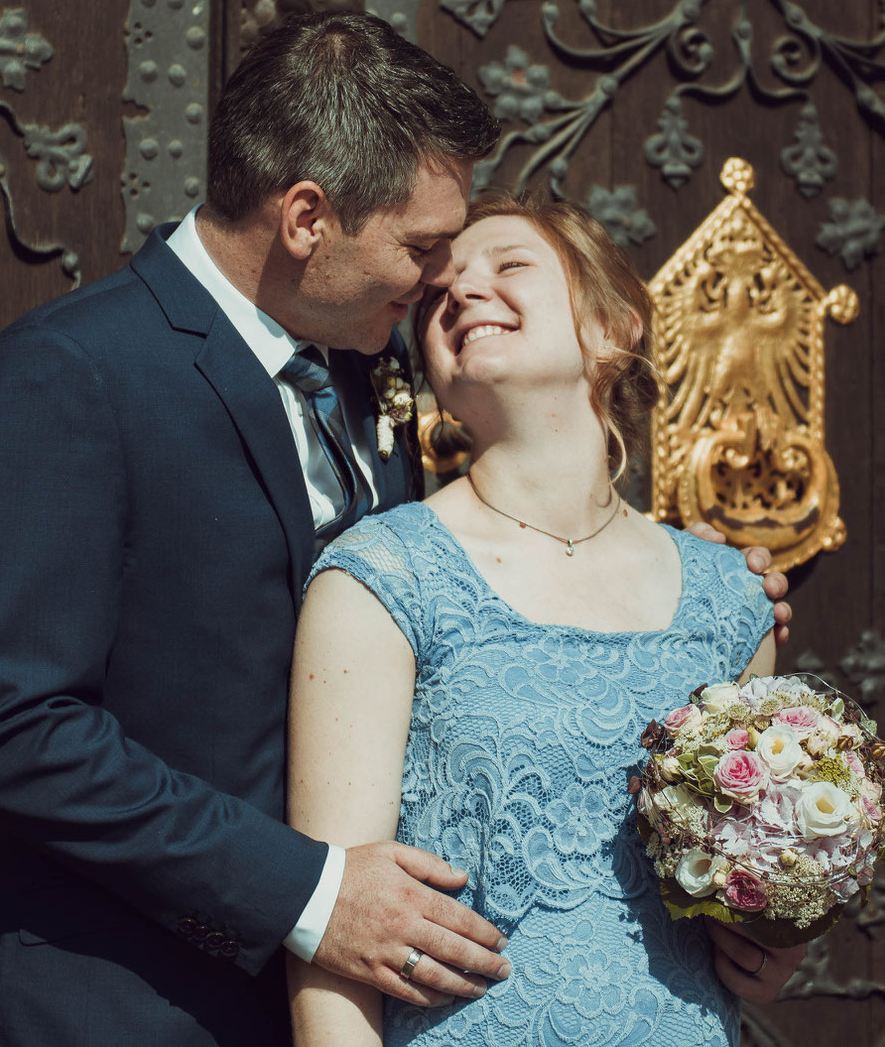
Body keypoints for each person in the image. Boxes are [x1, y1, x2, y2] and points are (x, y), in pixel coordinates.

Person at [0, 11, 792, 1047]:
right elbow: (12, 726)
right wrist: (312, 893)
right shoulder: (72, 372)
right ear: (304, 219)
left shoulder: (355, 375)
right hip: (108, 1004)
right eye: (421, 249)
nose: (439, 282)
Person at [287, 190, 809, 1047]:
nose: (461, 294)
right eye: (441, 293)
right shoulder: (382, 573)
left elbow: (754, 881)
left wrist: (778, 934)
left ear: (613, 326)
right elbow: (333, 927)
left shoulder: (731, 598)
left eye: (510, 266)